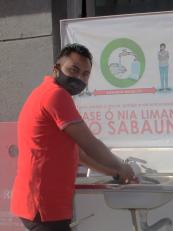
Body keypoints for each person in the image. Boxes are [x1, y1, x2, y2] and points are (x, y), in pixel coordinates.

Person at [10, 43, 138, 231]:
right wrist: (122, 166)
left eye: (85, 74)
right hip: (44, 205)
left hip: (37, 203)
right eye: (73, 70)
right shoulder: (56, 95)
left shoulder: (44, 93)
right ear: (56, 69)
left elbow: (79, 154)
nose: (79, 78)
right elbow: (90, 144)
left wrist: (114, 173)